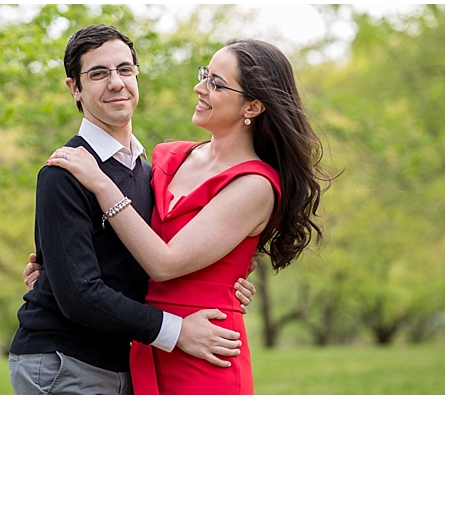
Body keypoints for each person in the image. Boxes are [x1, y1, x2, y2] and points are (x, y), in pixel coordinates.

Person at [44, 39, 328, 394]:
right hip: (146, 342)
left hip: (204, 347)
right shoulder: (168, 158)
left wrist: (102, 185)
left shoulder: (255, 185)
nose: (199, 87)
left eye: (217, 83)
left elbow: (164, 263)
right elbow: (125, 234)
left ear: (252, 106)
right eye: (205, 75)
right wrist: (54, 271)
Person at [7, 24, 251, 395]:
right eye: (98, 74)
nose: (116, 82)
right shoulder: (65, 172)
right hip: (64, 360)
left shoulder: (147, 173)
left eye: (125, 69)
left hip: (120, 361)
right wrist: (177, 331)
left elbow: (157, 253)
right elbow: (79, 295)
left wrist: (223, 283)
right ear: (74, 87)